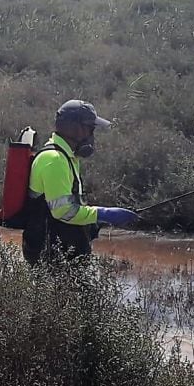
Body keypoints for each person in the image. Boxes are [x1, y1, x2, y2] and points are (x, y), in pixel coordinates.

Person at [22, 100, 138, 265]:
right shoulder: (54, 160)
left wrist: (93, 223)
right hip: (52, 258)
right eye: (91, 128)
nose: (92, 135)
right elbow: (64, 212)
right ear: (75, 128)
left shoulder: (68, 157)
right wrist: (103, 213)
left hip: (63, 254)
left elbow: (72, 207)